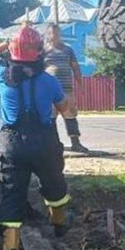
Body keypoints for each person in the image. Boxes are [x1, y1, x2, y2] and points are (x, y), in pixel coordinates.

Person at [0, 25, 73, 250]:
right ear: (40, 53)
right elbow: (68, 110)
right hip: (44, 141)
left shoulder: (1, 76)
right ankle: (60, 223)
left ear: (11, 53)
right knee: (54, 184)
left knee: (12, 195)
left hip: (12, 144)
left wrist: (6, 41)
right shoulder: (49, 81)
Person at [44, 23, 91, 154]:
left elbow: (75, 67)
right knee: (51, 117)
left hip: (66, 89)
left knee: (70, 115)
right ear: (47, 34)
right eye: (51, 33)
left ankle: (76, 143)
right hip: (49, 90)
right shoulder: (43, 50)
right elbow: (38, 70)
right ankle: (52, 145)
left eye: (56, 33)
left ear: (60, 34)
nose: (54, 36)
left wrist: (80, 85)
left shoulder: (68, 49)